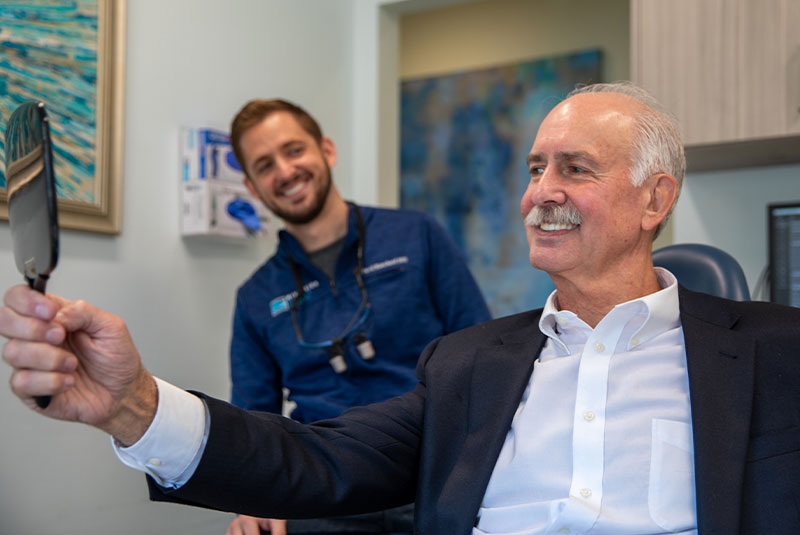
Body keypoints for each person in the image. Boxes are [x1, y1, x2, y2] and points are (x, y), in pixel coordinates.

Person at [3, 82, 800, 535]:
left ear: (654, 197)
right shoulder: (468, 368)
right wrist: (132, 403)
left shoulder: (775, 351)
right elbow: (314, 455)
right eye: (533, 168)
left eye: (576, 168)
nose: (539, 192)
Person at [227, 99, 492, 534]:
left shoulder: (416, 236)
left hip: (430, 478)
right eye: (265, 165)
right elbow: (253, 420)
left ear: (326, 150)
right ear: (253, 188)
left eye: (294, 150)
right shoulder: (256, 297)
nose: (285, 171)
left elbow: (480, 356)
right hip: (320, 494)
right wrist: (250, 504)